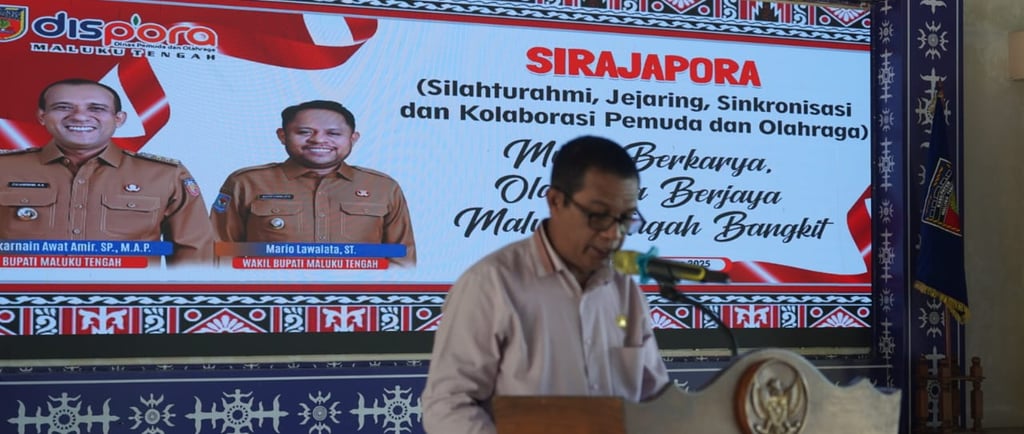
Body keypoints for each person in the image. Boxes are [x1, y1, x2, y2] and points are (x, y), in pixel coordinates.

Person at [421, 135, 670, 434]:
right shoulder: (491, 284)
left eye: (625, 219)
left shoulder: (625, 291)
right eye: (599, 216)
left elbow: (656, 402)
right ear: (555, 201)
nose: (613, 235)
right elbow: (447, 405)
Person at [0, 78, 214, 266]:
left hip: (129, 298)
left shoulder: (165, 175)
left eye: (96, 108)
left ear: (119, 119)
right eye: (63, 107)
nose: (80, 117)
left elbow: (194, 253)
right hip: (18, 298)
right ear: (42, 116)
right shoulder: (5, 168)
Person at [210, 100, 416, 266]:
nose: (318, 140)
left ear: (353, 139)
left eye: (333, 133)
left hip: (358, 299)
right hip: (271, 297)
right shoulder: (246, 182)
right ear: (282, 136)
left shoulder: (383, 187)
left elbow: (401, 258)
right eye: (304, 132)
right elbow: (221, 251)